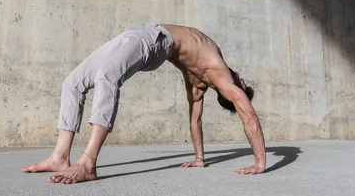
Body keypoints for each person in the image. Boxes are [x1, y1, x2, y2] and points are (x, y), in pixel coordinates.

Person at [22, 23, 265, 183]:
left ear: (232, 92)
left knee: (107, 77)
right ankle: (59, 156)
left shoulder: (222, 76)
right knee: (73, 83)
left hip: (156, 40)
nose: (240, 75)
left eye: (241, 82)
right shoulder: (198, 83)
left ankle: (88, 162)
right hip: (140, 33)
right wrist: (200, 158)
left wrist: (259, 163)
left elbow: (249, 117)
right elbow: (195, 120)